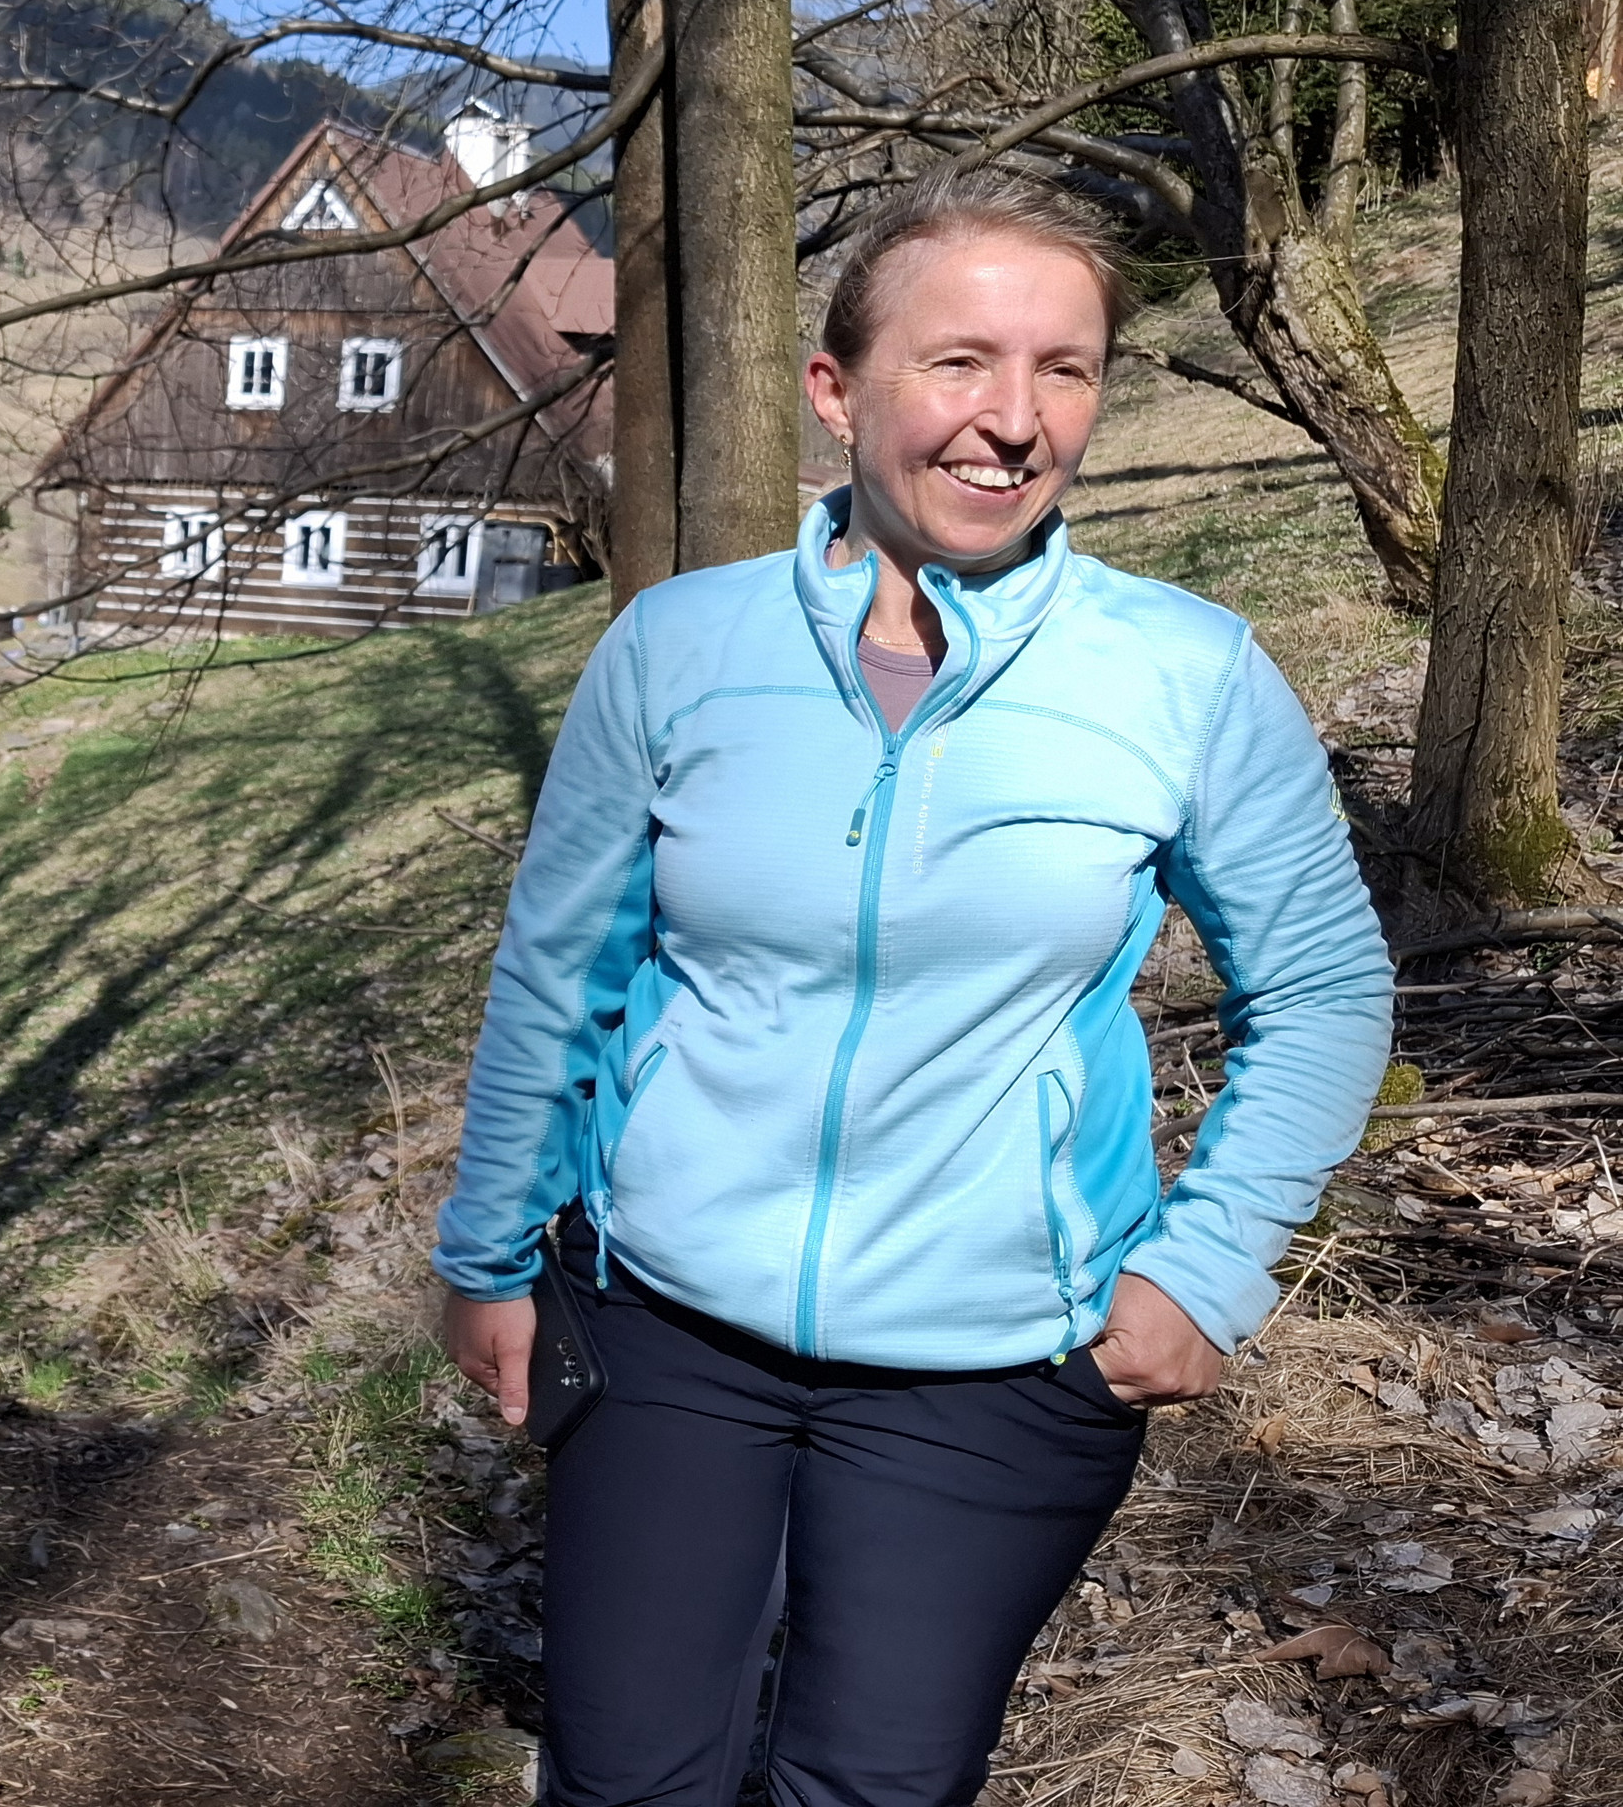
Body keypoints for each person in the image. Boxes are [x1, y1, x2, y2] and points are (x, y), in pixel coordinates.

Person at [433, 171, 1392, 1807]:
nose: (1012, 419)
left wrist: (1207, 1265)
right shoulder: (677, 649)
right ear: (836, 390)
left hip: (999, 1359)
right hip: (667, 1324)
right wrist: (487, 1251)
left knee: (874, 1789)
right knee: (624, 1782)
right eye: (958, 362)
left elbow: (1318, 989)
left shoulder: (1182, 675)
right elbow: (559, 973)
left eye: (1062, 369)